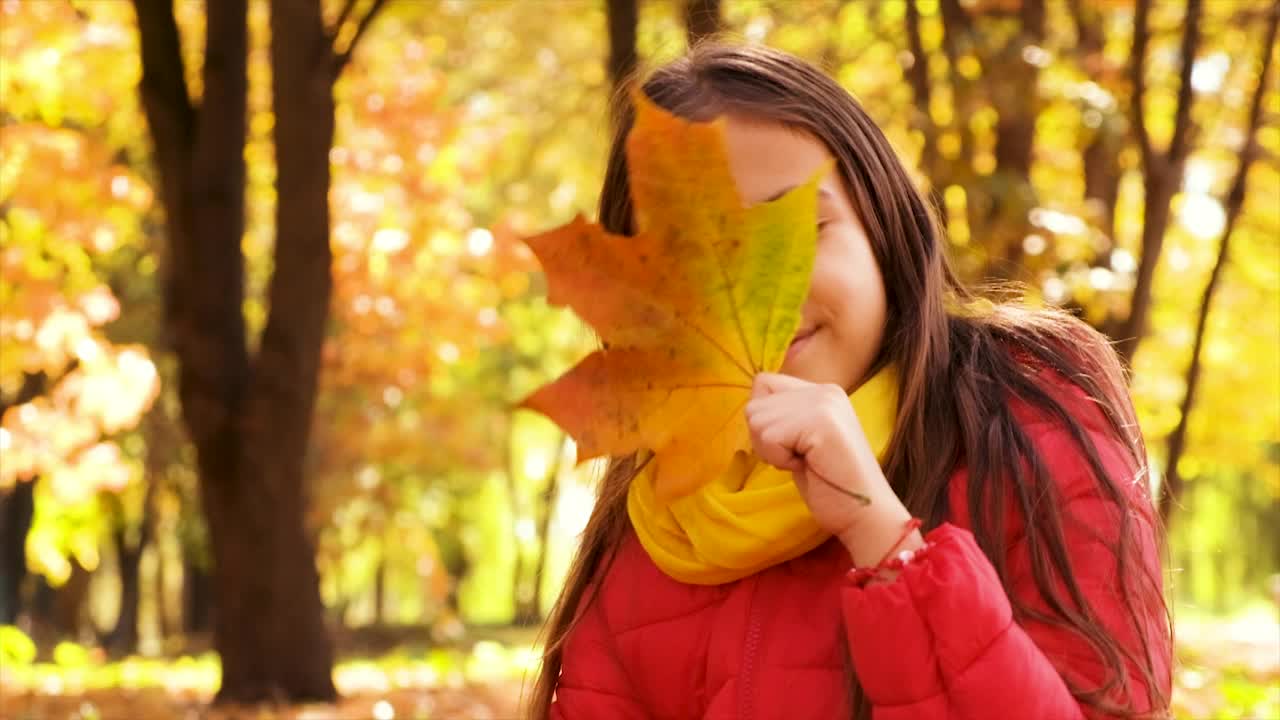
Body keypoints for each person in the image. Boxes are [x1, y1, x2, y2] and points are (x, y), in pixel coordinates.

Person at [528, 42, 1171, 720]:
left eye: (798, 232)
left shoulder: (1029, 424)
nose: (754, 297)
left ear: (882, 224)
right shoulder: (652, 526)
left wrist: (881, 533)